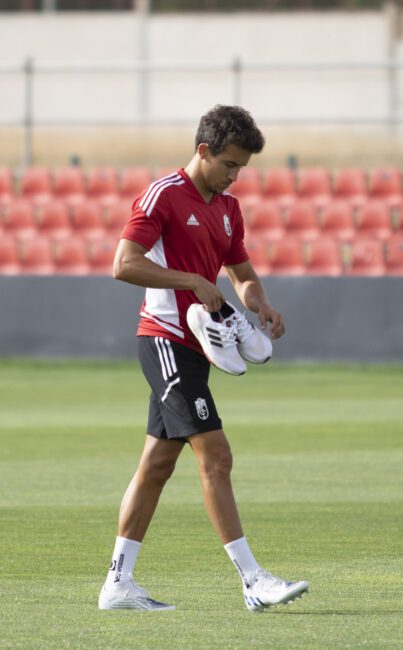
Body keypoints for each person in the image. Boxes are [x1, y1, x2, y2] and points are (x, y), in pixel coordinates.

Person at [99, 105, 308, 612]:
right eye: (230, 164)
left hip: (201, 346)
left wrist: (260, 302)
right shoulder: (164, 196)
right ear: (203, 151)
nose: (235, 175)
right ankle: (252, 579)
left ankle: (117, 584)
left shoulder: (228, 208)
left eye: (242, 167)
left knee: (156, 464)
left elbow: (241, 273)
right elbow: (123, 264)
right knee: (216, 455)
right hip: (165, 339)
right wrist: (192, 281)